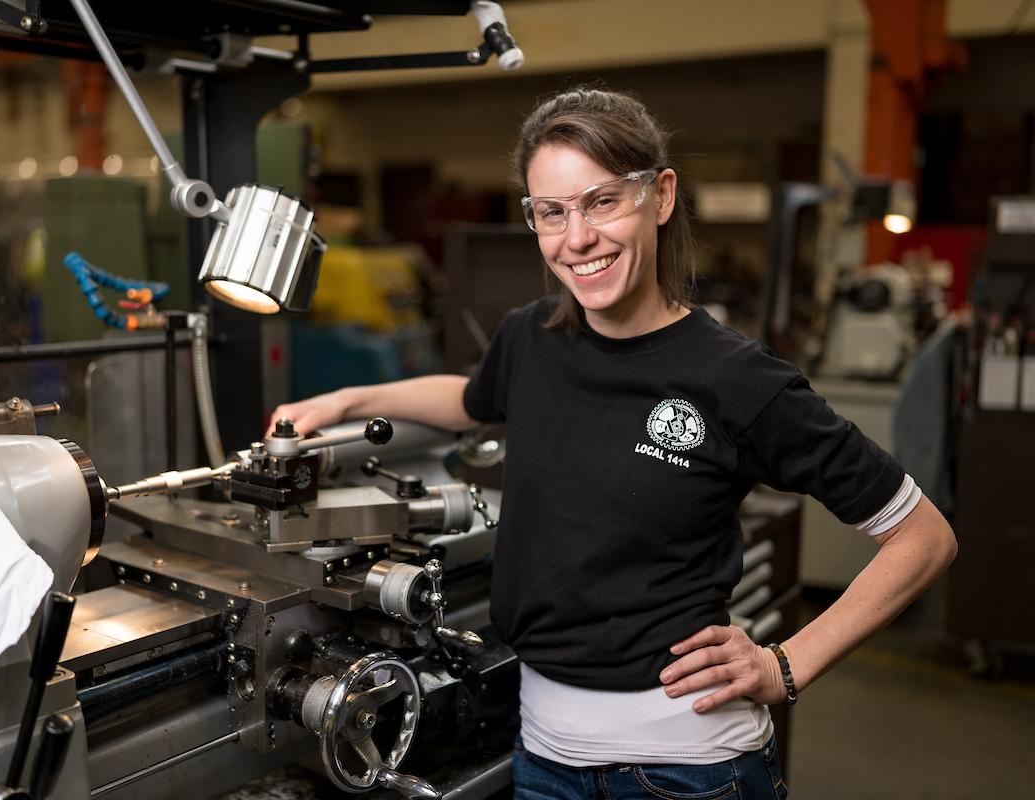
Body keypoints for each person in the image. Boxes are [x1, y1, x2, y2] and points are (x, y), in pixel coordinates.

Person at [270, 86, 957, 800]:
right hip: (543, 758)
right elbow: (472, 399)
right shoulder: (531, 337)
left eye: (601, 202)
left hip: (689, 771)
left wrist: (786, 665)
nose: (577, 239)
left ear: (661, 196)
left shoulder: (737, 379)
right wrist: (347, 401)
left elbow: (923, 537)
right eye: (552, 212)